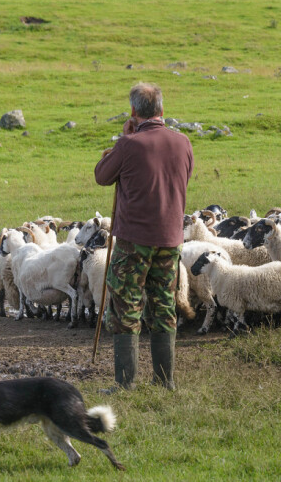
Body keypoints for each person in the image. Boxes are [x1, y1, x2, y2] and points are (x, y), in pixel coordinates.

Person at [94, 83, 194, 391]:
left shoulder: (128, 145)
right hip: (170, 239)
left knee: (126, 306)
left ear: (134, 112)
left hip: (133, 241)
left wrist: (126, 137)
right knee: (164, 305)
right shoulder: (183, 142)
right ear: (163, 111)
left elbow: (102, 176)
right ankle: (166, 382)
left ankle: (125, 384)